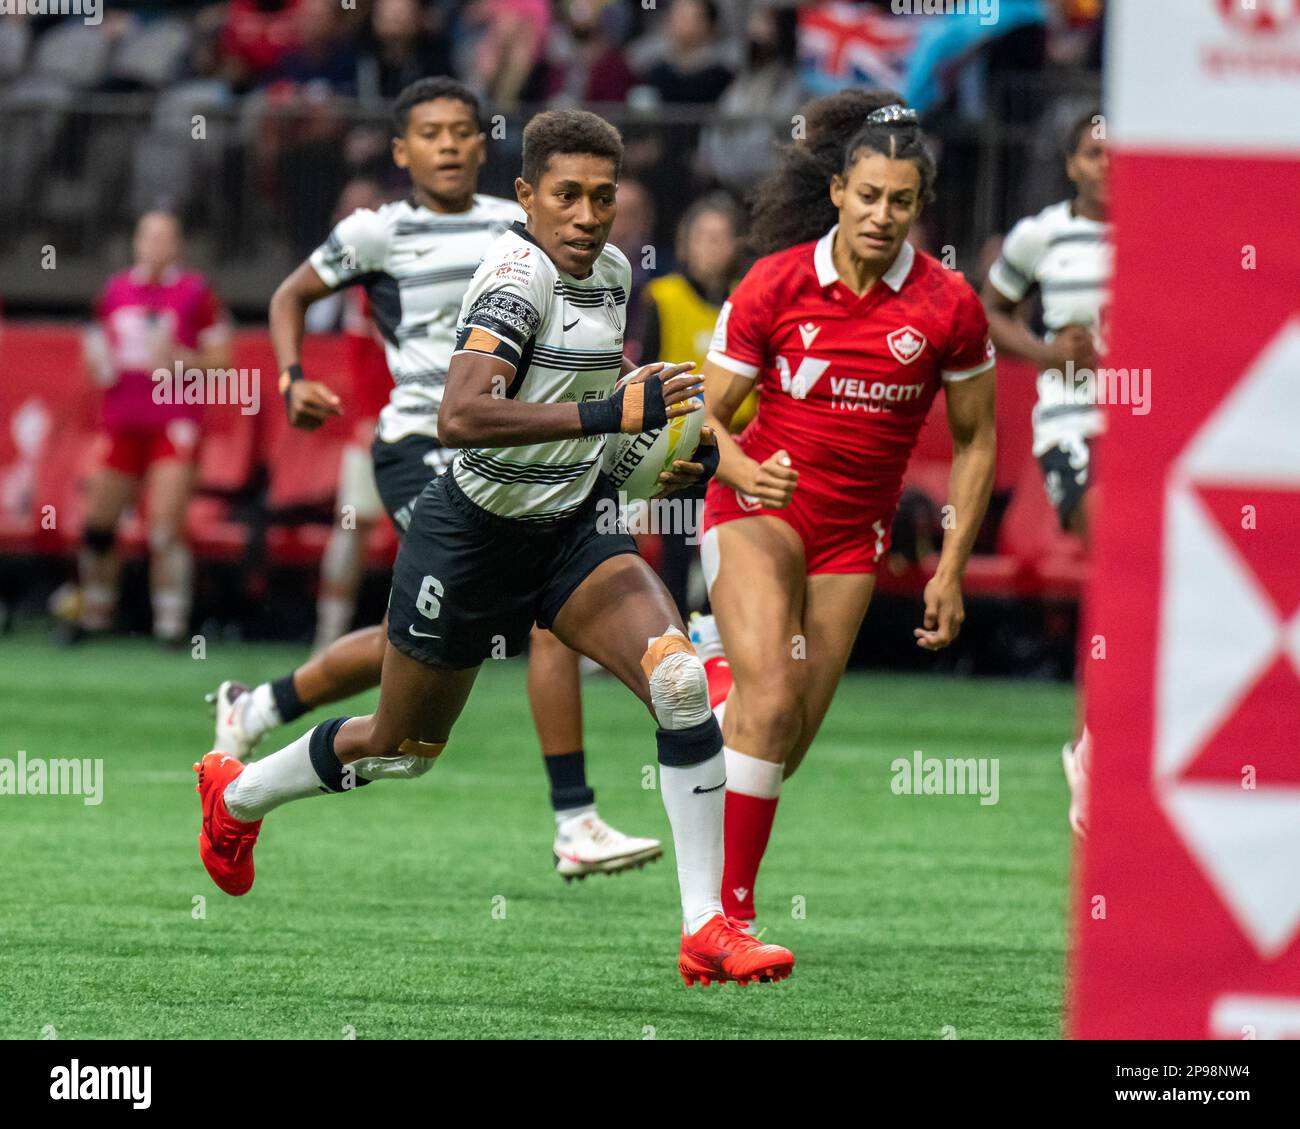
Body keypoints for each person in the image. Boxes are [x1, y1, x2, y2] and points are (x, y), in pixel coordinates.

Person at [194, 108, 796, 987]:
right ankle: (237, 792)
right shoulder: (516, 275)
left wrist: (678, 460)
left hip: (570, 527)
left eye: (602, 196)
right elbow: (463, 416)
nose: (588, 215)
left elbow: (604, 416)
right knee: (403, 746)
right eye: (566, 196)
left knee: (675, 681)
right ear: (527, 198)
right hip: (469, 535)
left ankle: (706, 925)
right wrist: (611, 415)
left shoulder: (618, 271)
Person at [208, 78, 661, 880]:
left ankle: (260, 709)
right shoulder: (378, 232)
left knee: (420, 648)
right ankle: (575, 816)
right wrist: (287, 378)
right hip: (428, 444)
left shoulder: (528, 225)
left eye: (461, 130)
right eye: (431, 132)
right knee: (520, 608)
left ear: (484, 147)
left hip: (515, 445)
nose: (450, 144)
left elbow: (580, 345)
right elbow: (291, 294)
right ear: (401, 151)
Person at [691, 93, 998, 931]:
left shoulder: (950, 308)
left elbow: (976, 443)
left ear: (919, 205)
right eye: (868, 196)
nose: (882, 215)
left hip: (852, 539)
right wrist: (747, 468)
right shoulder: (775, 284)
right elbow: (706, 416)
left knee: (780, 742)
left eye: (900, 201)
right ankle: (730, 923)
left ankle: (706, 678)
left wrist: (950, 567)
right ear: (838, 192)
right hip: (757, 510)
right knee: (774, 703)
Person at [981, 107, 1111, 836]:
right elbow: (989, 305)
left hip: (1147, 430)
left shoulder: (1162, 225)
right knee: (1120, 559)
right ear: (1071, 164)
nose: (1108, 164)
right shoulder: (1041, 235)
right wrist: (1040, 352)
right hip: (1072, 426)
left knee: (1139, 585)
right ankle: (1098, 750)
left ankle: (1098, 748)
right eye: (1095, 152)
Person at [73, 212, 232, 646]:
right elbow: (96, 351)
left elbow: (223, 361)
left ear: (177, 245)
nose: (156, 245)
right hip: (123, 421)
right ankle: (96, 615)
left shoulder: (195, 292)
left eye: (165, 237)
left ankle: (171, 625)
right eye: (149, 236)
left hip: (173, 420)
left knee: (164, 526)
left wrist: (183, 358)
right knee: (98, 525)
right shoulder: (115, 289)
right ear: (136, 241)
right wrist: (98, 364)